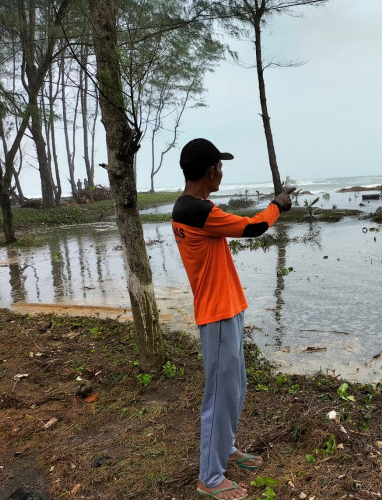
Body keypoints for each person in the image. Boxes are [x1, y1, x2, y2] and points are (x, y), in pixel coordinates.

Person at [171, 138, 293, 500]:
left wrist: (269, 208)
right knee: (219, 394)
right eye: (220, 167)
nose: (222, 172)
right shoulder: (195, 211)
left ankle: (225, 449)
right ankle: (209, 478)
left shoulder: (197, 207)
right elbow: (253, 227)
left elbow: (238, 223)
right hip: (217, 313)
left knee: (234, 387)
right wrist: (277, 205)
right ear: (210, 171)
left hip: (228, 308)